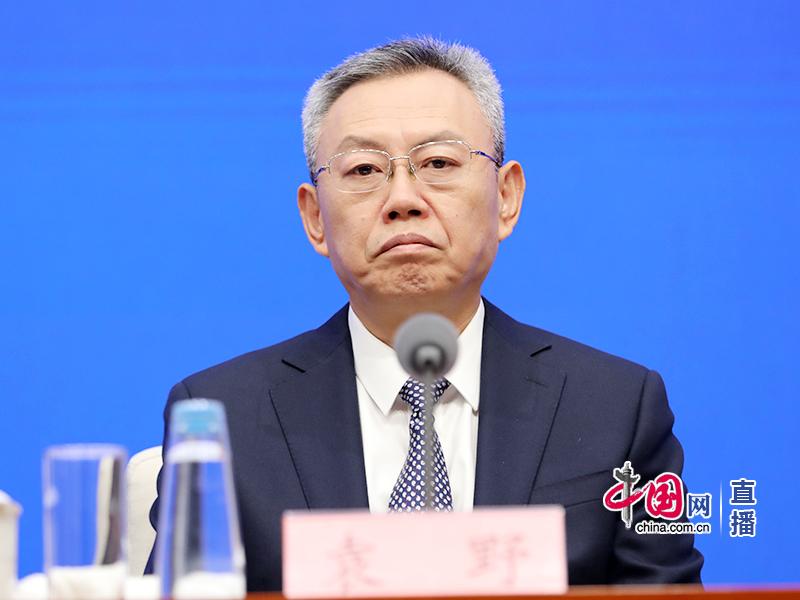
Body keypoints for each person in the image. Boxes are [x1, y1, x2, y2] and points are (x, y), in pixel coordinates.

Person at [147, 37, 703, 588]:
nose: (402, 199)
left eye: (438, 162)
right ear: (315, 217)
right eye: (363, 170)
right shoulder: (223, 417)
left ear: (506, 197)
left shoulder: (617, 408)